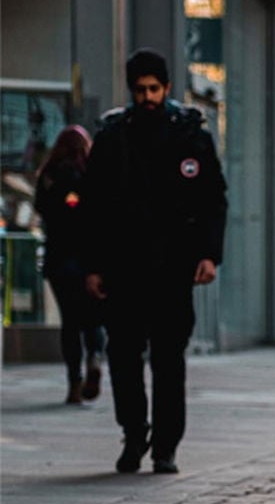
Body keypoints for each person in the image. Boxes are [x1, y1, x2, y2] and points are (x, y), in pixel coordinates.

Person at [80, 48, 227, 474]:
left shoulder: (190, 136)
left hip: (173, 268)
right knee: (124, 358)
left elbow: (212, 199)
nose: (147, 96)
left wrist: (208, 254)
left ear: (165, 88)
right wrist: (93, 266)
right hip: (123, 269)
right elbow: (92, 207)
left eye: (153, 89)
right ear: (131, 91)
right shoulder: (112, 137)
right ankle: (133, 434)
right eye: (140, 89)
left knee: (168, 359)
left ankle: (165, 446)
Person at [34, 125, 107, 404]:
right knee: (94, 318)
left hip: (58, 259)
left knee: (70, 322)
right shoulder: (93, 175)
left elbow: (41, 209)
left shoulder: (49, 176)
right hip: (91, 259)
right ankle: (95, 357)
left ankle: (74, 383)